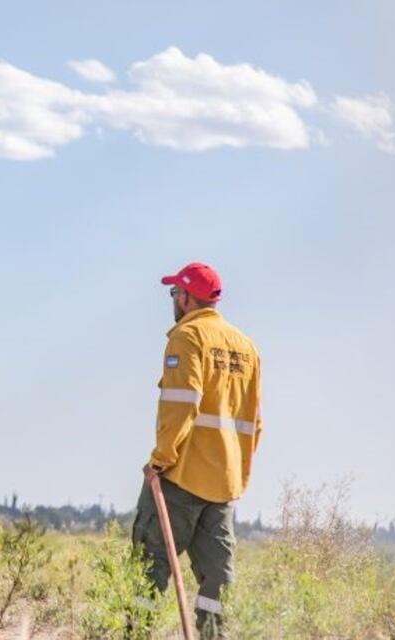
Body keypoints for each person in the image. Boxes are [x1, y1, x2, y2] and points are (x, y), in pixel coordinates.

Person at [132, 262, 262, 638]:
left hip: (180, 477)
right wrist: (236, 473)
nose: (173, 299)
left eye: (175, 293)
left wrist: (160, 460)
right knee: (217, 584)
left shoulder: (186, 337)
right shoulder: (245, 346)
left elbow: (180, 404)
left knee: (148, 569)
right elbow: (255, 422)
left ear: (187, 298)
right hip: (223, 485)